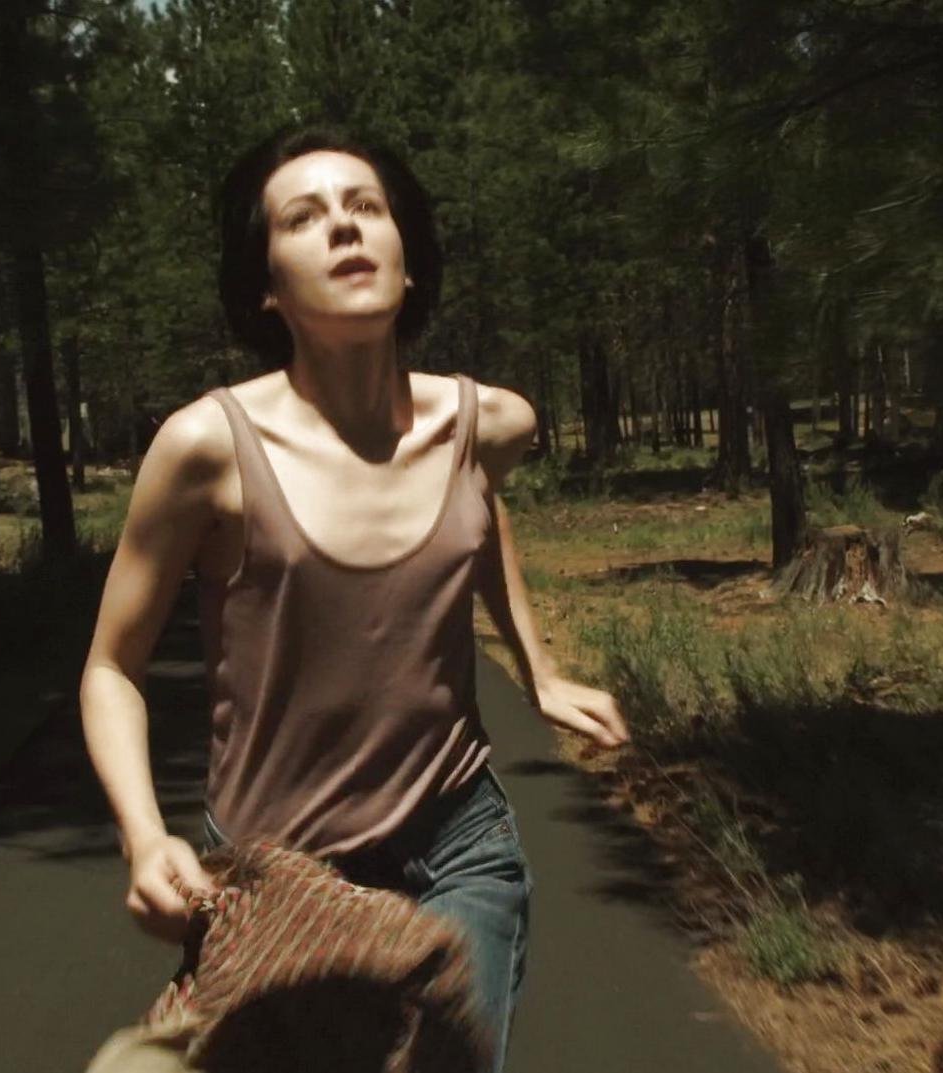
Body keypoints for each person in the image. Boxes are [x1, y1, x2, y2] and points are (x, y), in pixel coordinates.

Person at [78, 123, 631, 1073]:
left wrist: (538, 669)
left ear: (407, 263)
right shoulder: (207, 449)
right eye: (304, 217)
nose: (343, 226)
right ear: (266, 286)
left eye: (365, 207)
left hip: (459, 851)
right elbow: (110, 669)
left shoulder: (488, 423)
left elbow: (478, 511)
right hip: (277, 871)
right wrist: (142, 837)